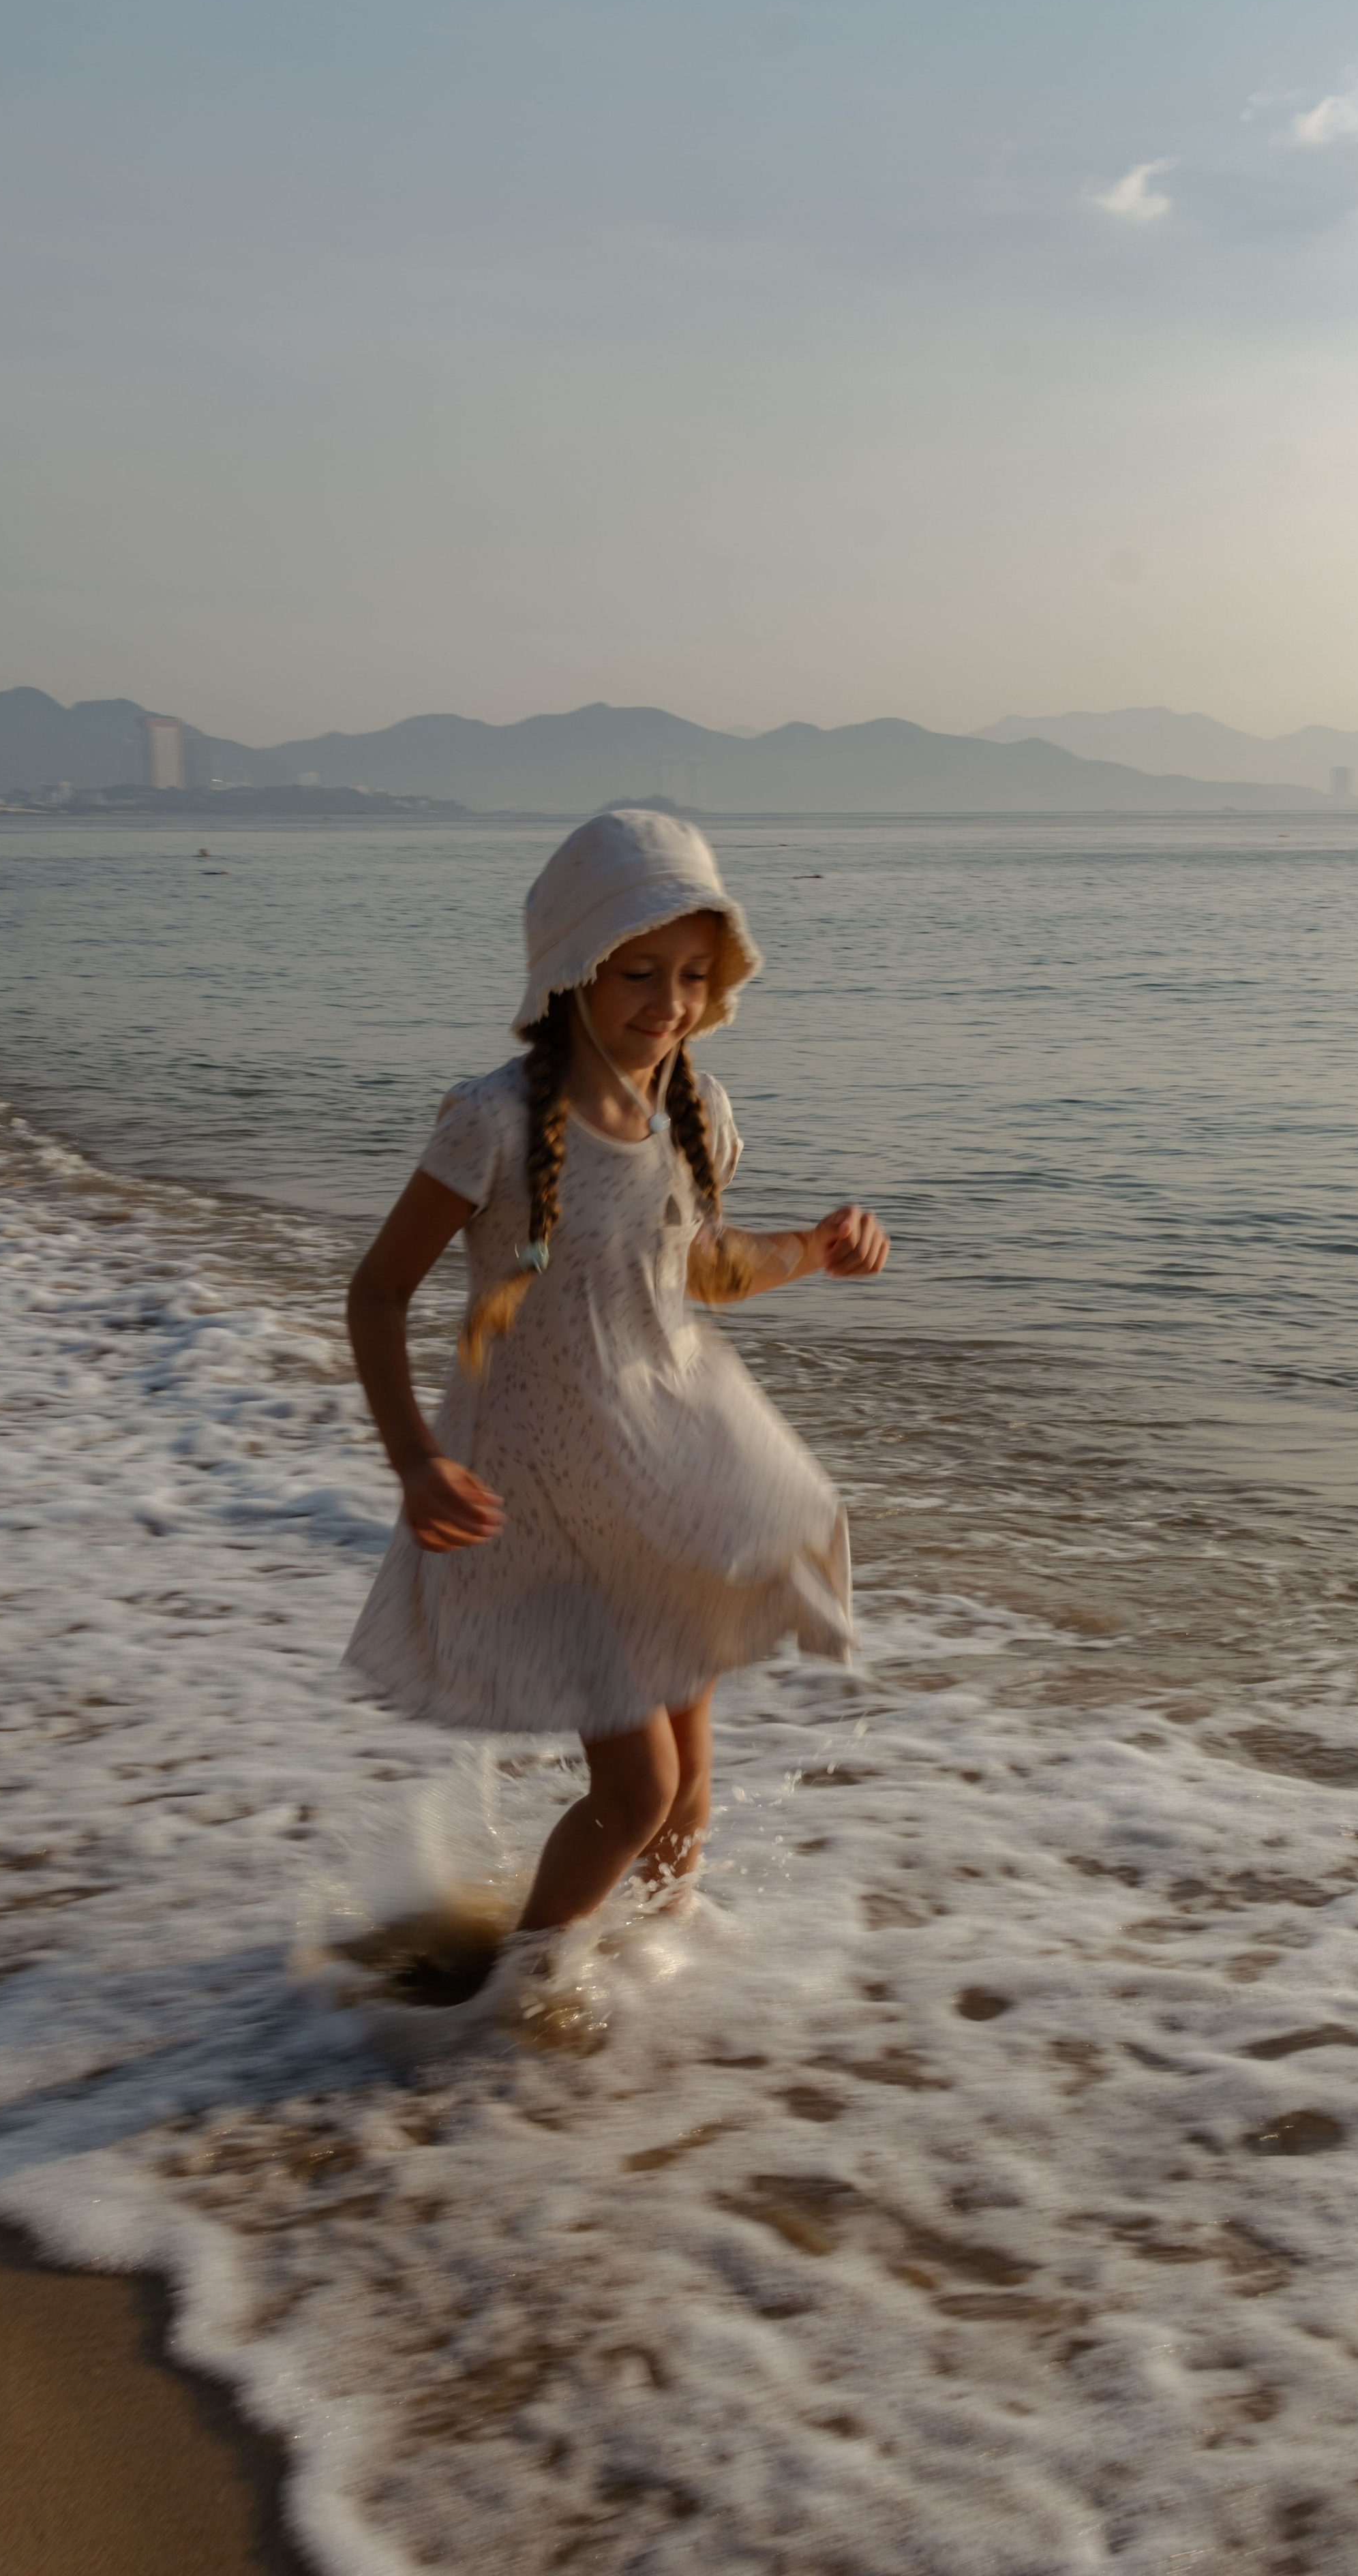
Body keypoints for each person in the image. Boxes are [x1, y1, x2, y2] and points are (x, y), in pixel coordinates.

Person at [344, 809, 888, 1944]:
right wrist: (414, 1461)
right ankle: (524, 1997)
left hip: (662, 1472)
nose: (671, 1001)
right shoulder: (492, 1123)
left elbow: (701, 1268)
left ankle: (642, 1976)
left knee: (688, 1790)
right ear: (573, 973)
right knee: (635, 1790)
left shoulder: (700, 1116)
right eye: (639, 971)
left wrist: (813, 1249)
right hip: (543, 1490)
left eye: (695, 975)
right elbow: (378, 1292)